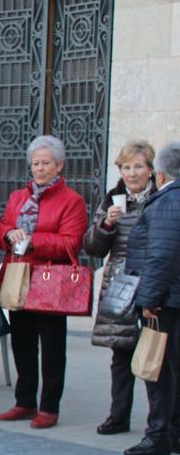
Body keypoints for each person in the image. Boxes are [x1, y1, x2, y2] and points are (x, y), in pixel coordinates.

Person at [0, 135, 88, 429]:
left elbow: (71, 243)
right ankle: (24, 401)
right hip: (19, 277)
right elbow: (0, 227)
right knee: (21, 344)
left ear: (59, 166)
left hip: (50, 283)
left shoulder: (72, 201)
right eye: (35, 163)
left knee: (51, 348)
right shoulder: (18, 197)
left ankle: (49, 406)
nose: (40, 168)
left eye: (46, 163)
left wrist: (34, 241)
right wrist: (9, 234)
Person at [83, 140, 156, 436]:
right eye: (126, 167)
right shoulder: (112, 199)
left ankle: (161, 423)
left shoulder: (160, 199)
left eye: (138, 166)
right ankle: (118, 415)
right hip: (121, 287)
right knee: (121, 355)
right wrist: (106, 225)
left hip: (151, 281)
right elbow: (93, 248)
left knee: (155, 356)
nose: (132, 173)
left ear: (151, 170)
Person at [122, 141, 180, 455]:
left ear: (159, 174)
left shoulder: (167, 202)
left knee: (157, 368)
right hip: (173, 297)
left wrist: (148, 298)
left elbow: (161, 255)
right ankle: (173, 431)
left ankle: (158, 434)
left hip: (165, 301)